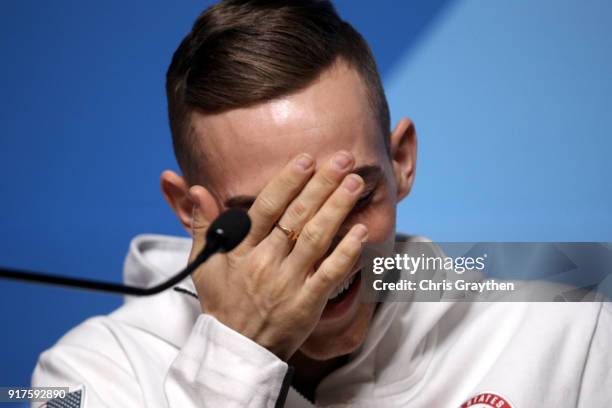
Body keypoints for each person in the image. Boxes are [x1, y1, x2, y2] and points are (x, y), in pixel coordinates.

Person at [32, 1, 611, 407]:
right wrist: (240, 353)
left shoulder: (569, 327)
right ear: (189, 211)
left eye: (350, 194)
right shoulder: (83, 374)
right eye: (269, 216)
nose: (323, 246)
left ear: (402, 162)